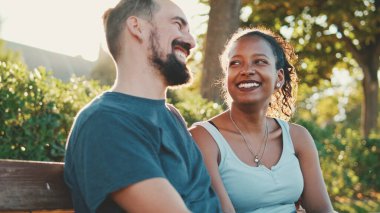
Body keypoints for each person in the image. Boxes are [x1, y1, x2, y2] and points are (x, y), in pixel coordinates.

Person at [64, 0, 221, 212]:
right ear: (137, 28)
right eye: (178, 25)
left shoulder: (171, 117)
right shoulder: (105, 121)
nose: (192, 41)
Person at [190, 27, 334, 213]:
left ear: (279, 78)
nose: (247, 70)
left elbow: (322, 210)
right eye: (235, 63)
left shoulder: (298, 137)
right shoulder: (204, 138)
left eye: (259, 61)